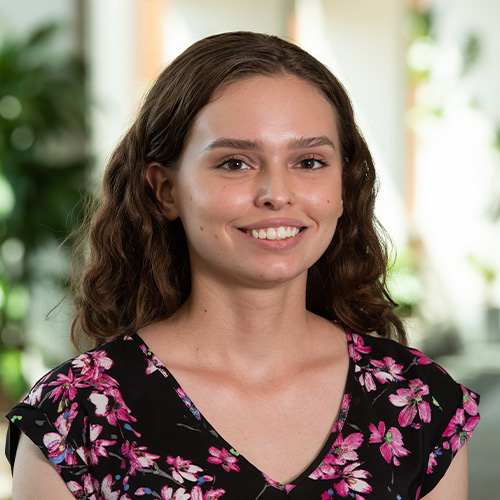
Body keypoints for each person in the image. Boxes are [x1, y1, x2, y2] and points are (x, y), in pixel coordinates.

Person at [6, 31, 479, 499]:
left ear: (345, 186)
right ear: (165, 190)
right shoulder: (75, 414)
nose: (277, 192)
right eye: (235, 163)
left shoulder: (419, 403)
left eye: (310, 162)